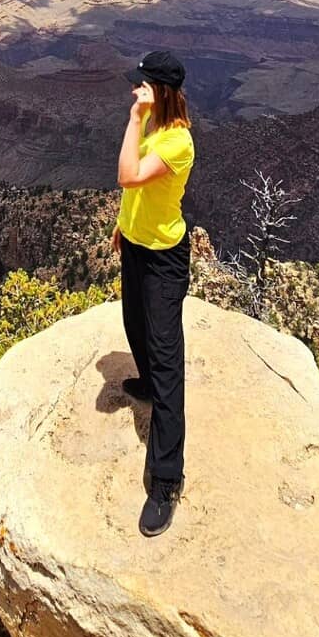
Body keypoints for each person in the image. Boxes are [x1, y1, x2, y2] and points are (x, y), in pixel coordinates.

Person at [110, 49, 194, 538]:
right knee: (133, 324)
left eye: (142, 86)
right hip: (137, 245)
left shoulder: (178, 140)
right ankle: (144, 380)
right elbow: (134, 193)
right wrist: (123, 226)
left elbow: (127, 174)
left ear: (159, 91)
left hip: (163, 258)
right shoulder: (157, 127)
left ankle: (166, 480)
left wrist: (133, 118)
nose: (135, 91)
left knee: (167, 363)